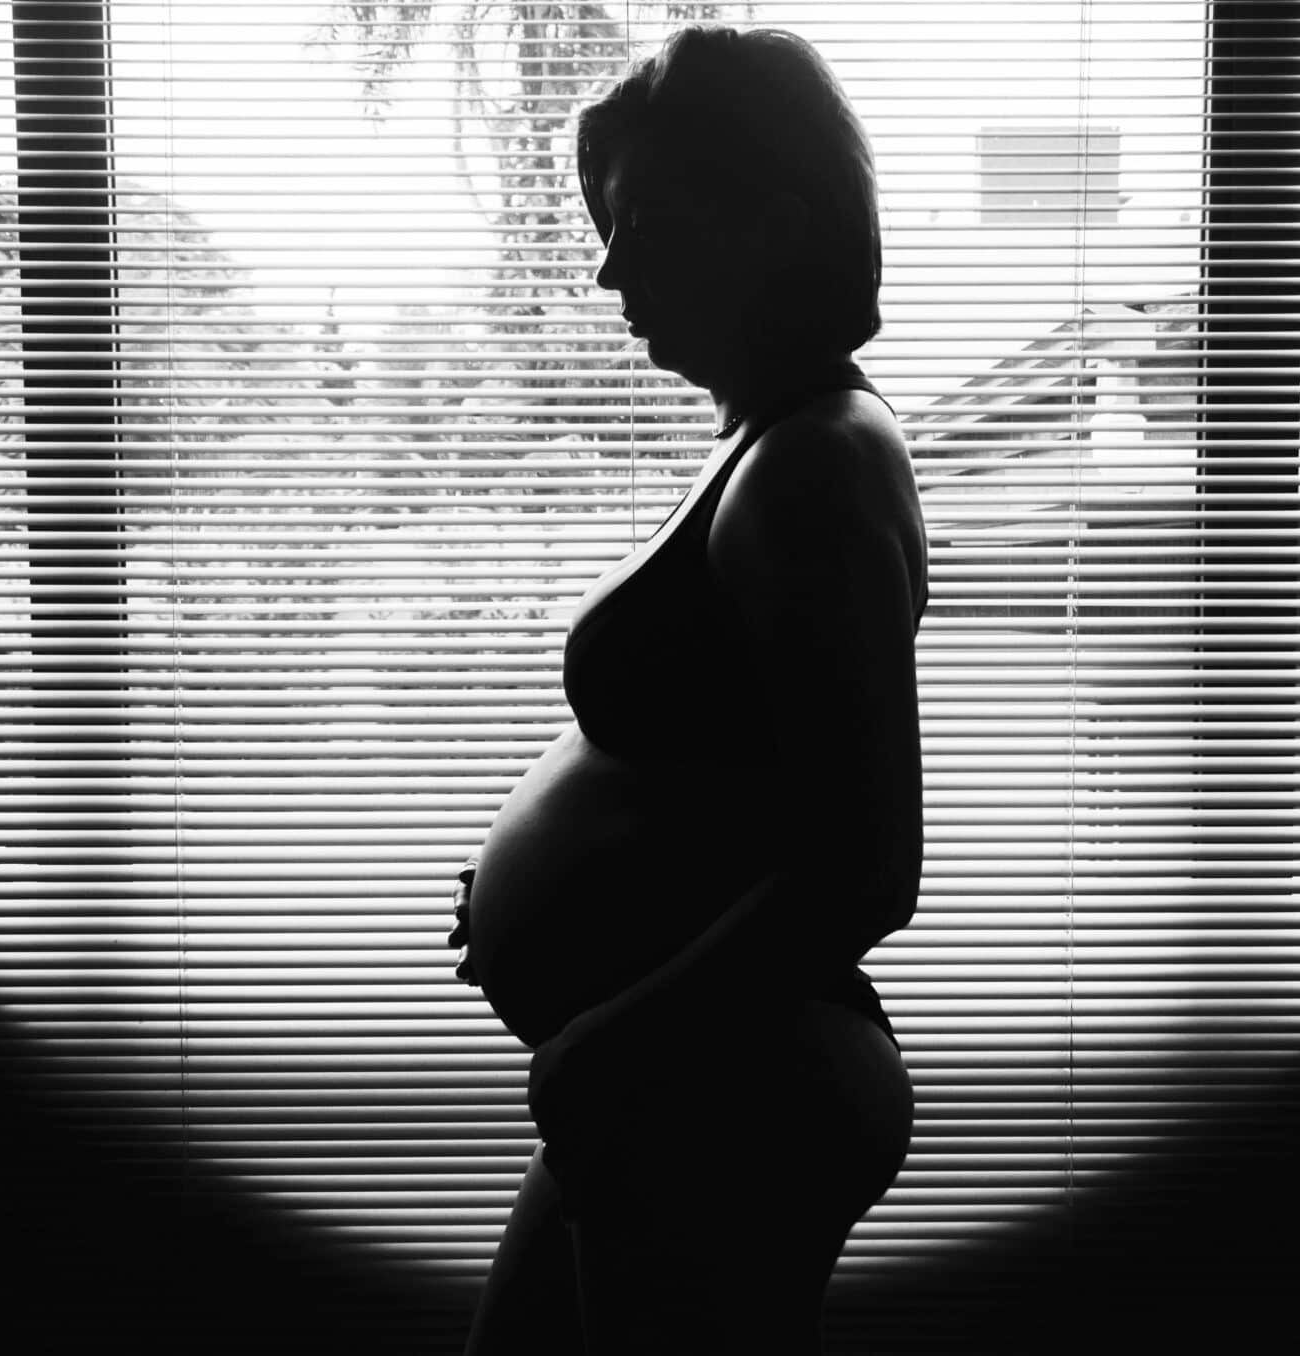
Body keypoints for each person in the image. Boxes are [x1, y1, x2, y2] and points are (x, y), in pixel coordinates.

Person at [447, 25, 927, 1356]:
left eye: (648, 220)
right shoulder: (780, 441)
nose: (608, 270)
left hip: (724, 1091)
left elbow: (865, 865)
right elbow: (722, 772)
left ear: (773, 220)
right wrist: (535, 891)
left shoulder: (811, 471)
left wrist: (613, 1042)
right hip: (682, 1083)